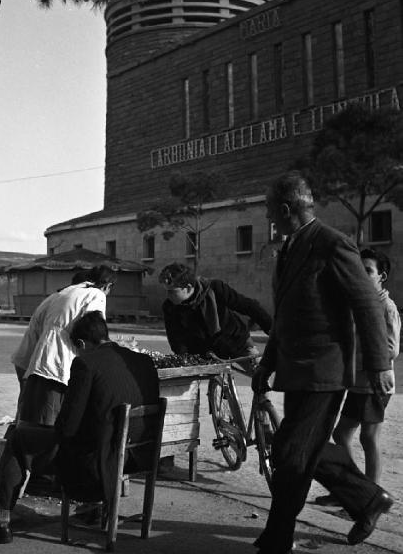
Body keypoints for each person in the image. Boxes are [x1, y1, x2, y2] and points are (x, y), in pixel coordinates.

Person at [252, 172, 394, 553]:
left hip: (325, 370)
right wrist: (267, 364)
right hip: (296, 370)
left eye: (269, 209)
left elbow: (367, 305)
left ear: (285, 210)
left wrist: (380, 365)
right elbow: (284, 316)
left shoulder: (332, 244)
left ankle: (277, 537)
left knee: (292, 453)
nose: (268, 215)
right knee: (296, 450)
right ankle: (366, 498)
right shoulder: (289, 250)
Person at [0, 311, 160, 544]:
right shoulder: (143, 362)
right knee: (38, 436)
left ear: (80, 344)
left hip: (97, 461)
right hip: (137, 455)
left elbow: (67, 428)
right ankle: (94, 506)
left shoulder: (86, 364)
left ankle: (1, 520)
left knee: (18, 436)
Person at [316, 249, 400, 508]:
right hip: (358, 383)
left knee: (368, 438)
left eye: (368, 271)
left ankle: (368, 498)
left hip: (375, 384)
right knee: (342, 434)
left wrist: (357, 358)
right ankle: (350, 489)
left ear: (381, 276)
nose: (361, 275)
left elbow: (391, 349)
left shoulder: (386, 307)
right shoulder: (360, 303)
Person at [11, 264, 115, 426]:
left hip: (37, 366)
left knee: (29, 424)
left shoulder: (60, 294)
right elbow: (93, 330)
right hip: (58, 369)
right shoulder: (95, 294)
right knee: (46, 428)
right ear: (107, 286)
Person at [158, 262, 272, 374]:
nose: (168, 296)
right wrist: (184, 360)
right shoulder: (169, 307)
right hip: (205, 352)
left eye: (171, 292)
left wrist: (270, 327)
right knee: (189, 384)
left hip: (236, 341)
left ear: (188, 288)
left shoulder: (215, 288)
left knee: (260, 378)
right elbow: (175, 338)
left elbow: (248, 306)